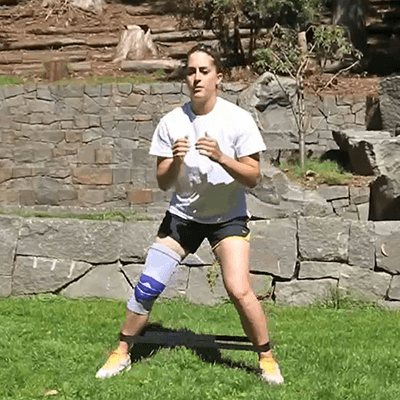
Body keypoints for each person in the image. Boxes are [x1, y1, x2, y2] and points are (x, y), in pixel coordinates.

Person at [96, 44, 284, 385]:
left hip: (227, 218)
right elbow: (163, 180)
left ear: (218, 78)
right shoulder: (172, 122)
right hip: (182, 217)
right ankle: (121, 352)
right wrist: (177, 160)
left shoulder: (238, 120)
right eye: (191, 71)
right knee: (148, 285)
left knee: (238, 289)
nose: (196, 78)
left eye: (204, 71)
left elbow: (253, 176)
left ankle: (267, 357)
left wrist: (223, 158)